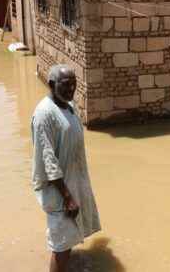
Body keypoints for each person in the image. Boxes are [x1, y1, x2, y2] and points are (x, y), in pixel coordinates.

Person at [31, 65, 101, 272]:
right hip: (59, 189)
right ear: (52, 85)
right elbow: (47, 160)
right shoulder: (45, 114)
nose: (71, 89)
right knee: (60, 243)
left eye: (74, 84)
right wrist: (68, 197)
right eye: (66, 84)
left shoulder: (68, 106)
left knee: (69, 236)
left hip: (73, 181)